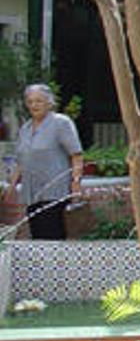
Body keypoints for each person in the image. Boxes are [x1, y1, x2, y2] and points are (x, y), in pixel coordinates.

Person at [3, 84, 83, 239]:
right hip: (32, 192)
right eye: (30, 101)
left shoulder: (61, 123)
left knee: (52, 235)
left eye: (39, 101)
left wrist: (76, 181)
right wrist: (11, 186)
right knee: (37, 235)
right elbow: (21, 160)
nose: (34, 105)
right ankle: (42, 264)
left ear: (49, 102)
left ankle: (56, 264)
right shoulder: (25, 128)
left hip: (54, 190)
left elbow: (76, 154)